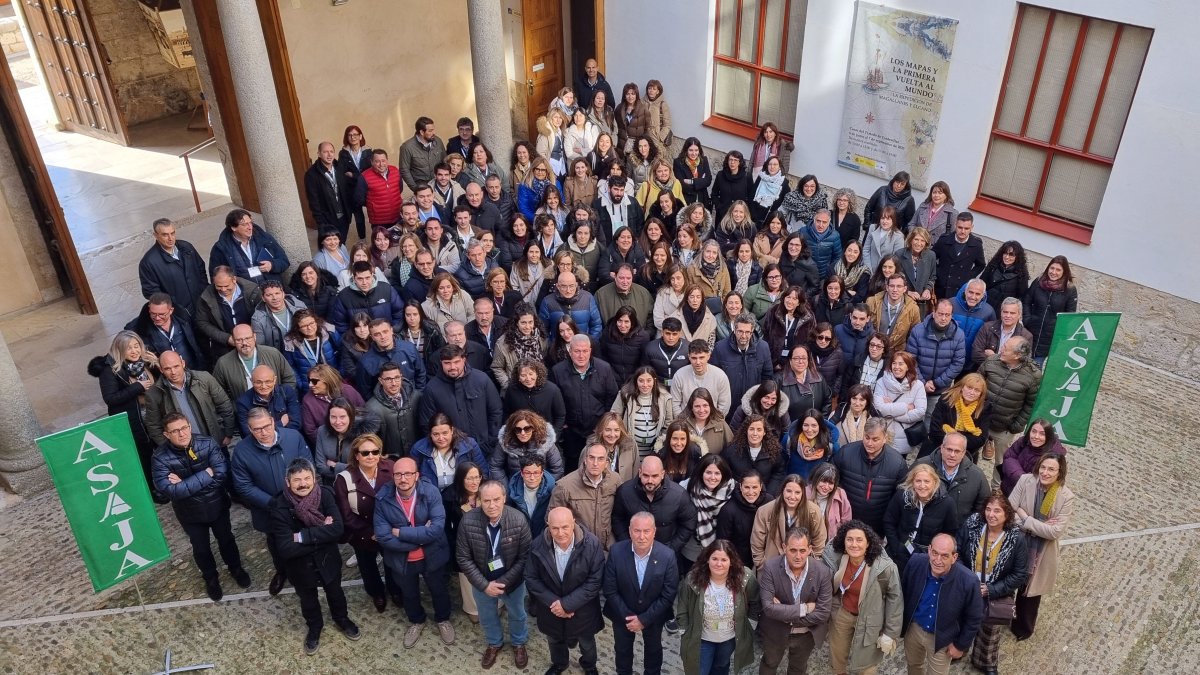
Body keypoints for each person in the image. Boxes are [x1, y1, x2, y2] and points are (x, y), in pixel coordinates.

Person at [152, 413, 249, 601]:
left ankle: (235, 568)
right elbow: (170, 491)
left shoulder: (207, 443)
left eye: (184, 427)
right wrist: (206, 474)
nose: (182, 434)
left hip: (217, 505)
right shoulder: (160, 458)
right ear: (166, 435)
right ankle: (211, 578)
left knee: (227, 540)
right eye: (175, 431)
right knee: (201, 549)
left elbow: (221, 474)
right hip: (190, 514)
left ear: (189, 425)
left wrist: (185, 485)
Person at [270, 457, 359, 655]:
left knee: (336, 593)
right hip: (299, 566)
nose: (303, 484)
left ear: (314, 479)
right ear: (288, 482)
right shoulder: (279, 506)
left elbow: (338, 530)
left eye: (307, 478)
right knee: (308, 600)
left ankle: (341, 619)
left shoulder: (326, 495)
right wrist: (322, 535)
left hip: (328, 561)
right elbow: (285, 548)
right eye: (297, 480)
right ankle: (314, 627)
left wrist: (301, 537)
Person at [374, 456, 455, 648]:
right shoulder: (383, 498)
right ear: (393, 476)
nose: (403, 478)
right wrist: (418, 540)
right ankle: (416, 621)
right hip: (402, 560)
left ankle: (443, 619)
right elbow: (383, 536)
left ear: (417, 475)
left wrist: (401, 532)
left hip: (432, 556)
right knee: (409, 594)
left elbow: (436, 529)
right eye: (398, 474)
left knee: (439, 590)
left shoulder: (431, 492)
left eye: (408, 473)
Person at [457, 479, 534, 669]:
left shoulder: (518, 519)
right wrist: (484, 585)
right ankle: (494, 643)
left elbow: (525, 557)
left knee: (518, 614)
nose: (492, 505)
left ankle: (518, 643)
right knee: (487, 615)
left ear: (504, 499)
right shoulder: (467, 521)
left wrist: (504, 582)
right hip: (482, 581)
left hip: (513, 582)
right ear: (479, 500)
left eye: (496, 500)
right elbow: (463, 558)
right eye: (487, 500)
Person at [525, 506, 606, 675]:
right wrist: (556, 604)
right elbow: (532, 578)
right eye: (555, 528)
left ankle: (589, 665)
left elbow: (595, 581)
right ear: (548, 525)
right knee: (554, 640)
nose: (560, 533)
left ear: (573, 523)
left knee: (587, 641)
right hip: (551, 607)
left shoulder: (592, 544)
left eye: (565, 527)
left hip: (582, 608)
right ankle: (560, 663)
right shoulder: (537, 545)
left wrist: (567, 604)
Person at [957, 491, 1029, 675]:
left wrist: (991, 590)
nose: (991, 514)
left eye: (997, 511)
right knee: (962, 621)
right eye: (988, 509)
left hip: (996, 592)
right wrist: (967, 582)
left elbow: (1019, 573)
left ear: (1007, 515)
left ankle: (986, 662)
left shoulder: (1016, 539)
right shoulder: (972, 526)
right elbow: (957, 554)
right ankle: (959, 649)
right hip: (968, 588)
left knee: (990, 629)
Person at [604, 511, 680, 675]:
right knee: (622, 651)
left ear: (654, 531)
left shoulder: (667, 556)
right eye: (637, 531)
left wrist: (644, 619)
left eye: (646, 531)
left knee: (653, 652)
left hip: (653, 615)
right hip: (622, 614)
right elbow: (610, 589)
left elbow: (669, 594)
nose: (642, 536)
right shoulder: (616, 552)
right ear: (630, 531)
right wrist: (629, 618)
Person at [823, 520, 903, 674]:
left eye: (859, 540)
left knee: (867, 666)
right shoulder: (837, 559)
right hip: (842, 614)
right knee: (837, 659)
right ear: (843, 542)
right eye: (850, 539)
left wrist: (890, 633)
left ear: (868, 544)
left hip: (870, 620)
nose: (854, 544)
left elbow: (895, 599)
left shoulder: (884, 568)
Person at [1008, 452, 1073, 641]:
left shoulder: (1066, 496)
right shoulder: (1025, 480)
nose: (1045, 472)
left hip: (1041, 551)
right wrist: (1039, 525)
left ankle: (1023, 627)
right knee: (1008, 579)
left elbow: (1054, 532)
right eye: (1043, 467)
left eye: (1051, 469)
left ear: (1060, 472)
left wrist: (1026, 518)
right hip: (1017, 542)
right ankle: (1001, 614)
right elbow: (1011, 508)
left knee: (1031, 591)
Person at [333, 434, 401, 612]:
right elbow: (345, 514)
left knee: (392, 563)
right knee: (367, 565)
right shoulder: (344, 479)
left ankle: (395, 590)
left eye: (375, 451)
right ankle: (377, 593)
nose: (370, 456)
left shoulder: (392, 468)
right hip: (362, 531)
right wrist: (370, 532)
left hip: (389, 529)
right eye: (365, 453)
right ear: (356, 455)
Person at [88, 331, 160, 495]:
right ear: (120, 350)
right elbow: (111, 399)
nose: (134, 351)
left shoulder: (147, 361)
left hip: (154, 415)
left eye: (137, 346)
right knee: (144, 456)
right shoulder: (110, 371)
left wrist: (158, 364)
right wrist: (137, 387)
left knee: (161, 449)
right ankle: (152, 489)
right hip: (134, 422)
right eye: (129, 348)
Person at [900, 534, 984, 675]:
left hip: (942, 637)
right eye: (935, 553)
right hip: (913, 630)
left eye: (945, 556)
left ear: (954, 557)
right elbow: (903, 592)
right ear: (929, 550)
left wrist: (960, 645)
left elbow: (974, 617)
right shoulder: (915, 562)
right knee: (913, 666)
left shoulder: (969, 581)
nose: (937, 560)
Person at [675, 540, 760, 675]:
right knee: (700, 671)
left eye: (724, 560)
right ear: (707, 559)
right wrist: (684, 631)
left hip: (729, 639)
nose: (719, 564)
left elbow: (756, 602)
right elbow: (683, 607)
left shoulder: (745, 578)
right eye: (714, 558)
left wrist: (750, 625)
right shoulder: (693, 579)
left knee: (721, 667)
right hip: (702, 639)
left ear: (731, 561)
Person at [758, 527, 834, 675]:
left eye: (802, 550)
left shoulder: (823, 572)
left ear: (810, 549)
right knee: (769, 663)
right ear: (784, 547)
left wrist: (784, 614)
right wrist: (804, 609)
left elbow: (823, 613)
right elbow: (768, 607)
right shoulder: (770, 567)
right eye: (793, 550)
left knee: (798, 669)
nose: (798, 556)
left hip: (806, 634)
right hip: (775, 630)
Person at [550, 334, 620, 472]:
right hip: (571, 431)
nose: (581, 355)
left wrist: (603, 424)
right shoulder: (558, 371)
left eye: (585, 351)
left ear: (590, 350)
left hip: (598, 430)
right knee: (573, 467)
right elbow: (555, 401)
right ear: (570, 352)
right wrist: (563, 423)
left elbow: (611, 397)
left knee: (597, 466)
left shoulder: (604, 368)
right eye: (577, 351)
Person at [419, 344, 503, 453]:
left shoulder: (481, 379)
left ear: (464, 360)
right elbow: (427, 423)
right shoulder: (432, 388)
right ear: (441, 363)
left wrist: (491, 440)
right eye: (447, 363)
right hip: (452, 451)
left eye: (456, 362)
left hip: (485, 448)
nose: (452, 367)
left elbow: (496, 411)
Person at [833, 418, 910, 537]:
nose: (869, 443)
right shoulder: (846, 453)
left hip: (877, 525)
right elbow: (832, 480)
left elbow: (900, 498)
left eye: (875, 439)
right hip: (846, 519)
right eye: (867, 437)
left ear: (885, 438)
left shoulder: (897, 463)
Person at [143, 350, 234, 449]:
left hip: (215, 441)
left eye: (176, 366)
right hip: (183, 450)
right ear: (161, 370)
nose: (173, 372)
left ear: (183, 363)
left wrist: (228, 433)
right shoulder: (154, 394)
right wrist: (171, 448)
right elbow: (154, 426)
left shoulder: (204, 378)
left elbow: (224, 405)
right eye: (167, 369)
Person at [882, 463, 959, 572]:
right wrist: (896, 547)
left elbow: (950, 533)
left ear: (935, 482)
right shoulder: (902, 496)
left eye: (927, 481)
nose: (922, 486)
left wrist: (935, 555)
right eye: (918, 481)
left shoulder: (947, 503)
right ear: (912, 482)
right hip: (899, 551)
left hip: (927, 557)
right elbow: (889, 521)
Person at [978, 337, 1041, 466]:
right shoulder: (991, 362)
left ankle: (997, 486)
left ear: (1017, 355)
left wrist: (1016, 426)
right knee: (970, 451)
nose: (1001, 350)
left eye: (1006, 349)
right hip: (980, 419)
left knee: (1002, 462)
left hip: (1004, 429)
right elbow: (975, 383)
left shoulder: (1033, 375)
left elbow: (1031, 404)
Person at [550, 442, 624, 551]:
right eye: (591, 458)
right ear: (585, 460)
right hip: (580, 548)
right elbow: (552, 519)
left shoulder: (615, 481)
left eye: (600, 459)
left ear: (606, 463)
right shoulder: (565, 486)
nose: (595, 463)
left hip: (608, 547)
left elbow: (621, 514)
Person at [906, 299, 967, 422]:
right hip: (916, 385)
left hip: (940, 389)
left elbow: (958, 363)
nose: (943, 318)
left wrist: (937, 383)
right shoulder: (918, 331)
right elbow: (911, 359)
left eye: (947, 315)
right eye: (940, 314)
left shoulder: (958, 335)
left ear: (951, 316)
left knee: (932, 420)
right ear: (933, 313)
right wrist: (923, 382)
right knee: (912, 418)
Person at [751, 473, 828, 569]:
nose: (792, 496)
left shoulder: (814, 511)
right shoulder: (765, 511)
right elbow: (756, 543)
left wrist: (813, 563)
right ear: (782, 490)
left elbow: (819, 541)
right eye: (788, 491)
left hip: (803, 566)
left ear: (803, 493)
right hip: (772, 566)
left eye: (797, 492)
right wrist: (762, 565)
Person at [139, 218, 208, 324]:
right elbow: (151, 292)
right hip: (179, 315)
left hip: (201, 306)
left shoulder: (186, 247)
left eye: (172, 233)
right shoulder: (149, 262)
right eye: (165, 235)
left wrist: (203, 291)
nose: (170, 238)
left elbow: (200, 268)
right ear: (156, 235)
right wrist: (175, 307)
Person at [920, 372, 993, 463]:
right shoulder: (946, 399)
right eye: (969, 387)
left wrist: (953, 438)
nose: (972, 392)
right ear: (962, 387)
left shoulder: (984, 408)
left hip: (966, 452)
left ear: (981, 394)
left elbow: (981, 439)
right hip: (937, 447)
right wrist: (963, 437)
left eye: (977, 390)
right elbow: (935, 431)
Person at [195, 266, 263, 361]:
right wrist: (226, 338)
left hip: (251, 342)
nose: (223, 290)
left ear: (234, 279)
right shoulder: (205, 298)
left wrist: (250, 334)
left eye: (227, 286)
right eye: (218, 286)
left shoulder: (253, 291)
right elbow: (202, 323)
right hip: (223, 348)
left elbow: (262, 314)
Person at [411, 411, 490, 490]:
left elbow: (483, 473)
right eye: (436, 434)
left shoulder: (469, 445)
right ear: (430, 434)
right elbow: (412, 478)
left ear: (452, 430)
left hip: (463, 495)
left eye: (445, 433)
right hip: (432, 497)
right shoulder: (419, 449)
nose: (441, 438)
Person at [208, 209, 290, 283]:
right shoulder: (221, 248)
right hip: (245, 294)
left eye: (250, 223)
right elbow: (215, 276)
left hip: (270, 290)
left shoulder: (265, 238)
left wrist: (272, 265)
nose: (250, 227)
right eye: (244, 224)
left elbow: (284, 261)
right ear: (233, 227)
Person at [1024, 255, 1079, 361]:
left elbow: (1069, 315)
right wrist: (1027, 319)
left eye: (1058, 270)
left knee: (1036, 367)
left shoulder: (1070, 289)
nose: (1054, 272)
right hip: (1030, 329)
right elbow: (1026, 301)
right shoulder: (1038, 282)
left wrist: (1057, 329)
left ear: (1064, 272)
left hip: (1049, 336)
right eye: (1052, 268)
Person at [872, 350, 927, 456]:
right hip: (884, 433)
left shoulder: (918, 385)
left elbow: (920, 412)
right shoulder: (881, 382)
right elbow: (879, 409)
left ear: (908, 367)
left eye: (901, 364)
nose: (897, 367)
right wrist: (905, 407)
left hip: (904, 435)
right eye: (894, 363)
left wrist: (890, 409)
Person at [711, 313, 773, 407]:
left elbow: (767, 377)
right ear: (734, 330)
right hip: (728, 404)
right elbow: (714, 378)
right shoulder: (720, 348)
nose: (744, 336)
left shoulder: (763, 348)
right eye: (740, 331)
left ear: (752, 331)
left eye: (747, 332)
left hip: (754, 404)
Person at [722, 413, 788, 497]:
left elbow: (778, 473)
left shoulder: (774, 451)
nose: (755, 433)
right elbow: (724, 473)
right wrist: (736, 492)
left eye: (759, 430)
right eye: (751, 429)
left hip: (764, 497)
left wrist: (768, 494)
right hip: (736, 496)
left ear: (764, 432)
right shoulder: (731, 450)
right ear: (746, 431)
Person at [999, 419, 1066, 496]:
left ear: (1048, 436)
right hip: (1008, 489)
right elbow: (1009, 457)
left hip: (1028, 497)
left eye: (1042, 434)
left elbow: (1048, 481)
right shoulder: (1024, 441)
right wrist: (1021, 477)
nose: (1036, 436)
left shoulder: (1054, 456)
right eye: (1034, 431)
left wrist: (1023, 480)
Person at [932, 212, 987, 302]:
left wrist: (968, 277)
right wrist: (938, 272)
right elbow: (931, 257)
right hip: (941, 287)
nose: (963, 231)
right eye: (960, 227)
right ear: (955, 225)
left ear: (972, 228)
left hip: (959, 289)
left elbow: (980, 265)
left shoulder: (976, 245)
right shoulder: (944, 240)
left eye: (966, 228)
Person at [233, 364, 300, 437]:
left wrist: (269, 432)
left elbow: (296, 423)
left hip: (288, 438)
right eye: (258, 382)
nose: (264, 386)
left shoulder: (286, 392)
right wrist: (281, 423)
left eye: (268, 381)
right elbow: (248, 434)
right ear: (251, 381)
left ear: (274, 380)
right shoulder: (243, 403)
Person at [305, 141, 354, 242]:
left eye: (331, 151)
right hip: (327, 219)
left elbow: (347, 191)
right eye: (325, 152)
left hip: (344, 217)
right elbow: (313, 201)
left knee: (342, 243)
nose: (329, 154)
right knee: (331, 246)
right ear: (319, 154)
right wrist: (321, 222)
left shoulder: (340, 167)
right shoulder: (311, 175)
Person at [670, 340, 732, 417]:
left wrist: (713, 423)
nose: (698, 362)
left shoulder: (720, 376)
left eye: (701, 357)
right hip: (685, 423)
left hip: (713, 423)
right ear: (689, 357)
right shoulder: (679, 375)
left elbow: (724, 405)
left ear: (708, 356)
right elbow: (674, 404)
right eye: (694, 358)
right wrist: (683, 424)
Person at [868, 274, 922, 355]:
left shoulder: (913, 309)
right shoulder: (872, 302)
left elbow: (914, 336)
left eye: (899, 286)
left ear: (905, 289)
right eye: (892, 286)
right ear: (887, 287)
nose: (895, 290)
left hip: (896, 353)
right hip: (873, 350)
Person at [781, 409, 837, 480]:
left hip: (816, 488)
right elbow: (781, 467)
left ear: (820, 426)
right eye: (806, 425)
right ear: (801, 426)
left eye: (814, 426)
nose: (809, 430)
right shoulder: (789, 440)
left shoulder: (831, 446)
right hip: (794, 486)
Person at [979, 241, 1031, 318]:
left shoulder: (1021, 274)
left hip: (1003, 312)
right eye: (1005, 253)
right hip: (985, 306)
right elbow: (981, 284)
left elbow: (1021, 297)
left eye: (1011, 255)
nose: (1007, 257)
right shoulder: (993, 266)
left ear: (1017, 257)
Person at [596, 264, 654, 329]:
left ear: (632, 277)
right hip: (610, 337)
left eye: (628, 278)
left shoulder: (643, 293)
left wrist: (647, 334)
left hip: (639, 337)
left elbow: (651, 318)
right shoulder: (601, 294)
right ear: (615, 276)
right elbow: (596, 322)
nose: (625, 281)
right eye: (621, 278)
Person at [399, 116, 446, 192]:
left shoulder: (438, 141)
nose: (434, 133)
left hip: (438, 185)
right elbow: (404, 170)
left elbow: (444, 161)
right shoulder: (407, 147)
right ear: (421, 132)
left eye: (433, 130)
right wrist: (415, 189)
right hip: (421, 187)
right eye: (430, 131)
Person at [951, 278, 997, 354]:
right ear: (965, 291)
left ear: (983, 295)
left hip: (973, 359)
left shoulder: (989, 311)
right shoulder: (951, 304)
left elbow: (992, 337)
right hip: (949, 355)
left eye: (978, 294)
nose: (973, 297)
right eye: (970, 292)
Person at [898, 226, 937, 316]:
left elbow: (933, 277)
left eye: (922, 240)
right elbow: (895, 278)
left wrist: (927, 290)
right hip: (903, 300)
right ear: (911, 240)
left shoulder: (931, 256)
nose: (919, 243)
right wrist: (908, 292)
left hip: (921, 302)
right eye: (916, 239)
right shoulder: (899, 254)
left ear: (926, 243)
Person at [711, 151, 753, 223]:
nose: (732, 162)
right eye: (730, 160)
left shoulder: (747, 176)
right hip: (722, 214)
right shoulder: (720, 175)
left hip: (739, 216)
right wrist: (719, 207)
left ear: (740, 162)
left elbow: (751, 196)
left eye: (735, 160)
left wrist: (744, 210)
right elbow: (714, 194)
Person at [750, 156, 791, 223]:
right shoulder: (761, 178)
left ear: (779, 166)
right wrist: (752, 214)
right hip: (753, 216)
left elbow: (784, 203)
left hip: (770, 220)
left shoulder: (783, 182)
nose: (772, 167)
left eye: (775, 164)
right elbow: (752, 195)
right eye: (770, 164)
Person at [615, 83, 649, 153]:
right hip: (622, 143)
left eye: (633, 94)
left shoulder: (643, 109)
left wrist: (643, 143)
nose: (630, 97)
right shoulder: (619, 108)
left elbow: (647, 127)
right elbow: (615, 126)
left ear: (636, 95)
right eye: (627, 94)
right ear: (624, 95)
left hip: (636, 143)